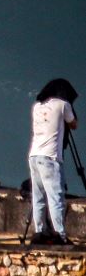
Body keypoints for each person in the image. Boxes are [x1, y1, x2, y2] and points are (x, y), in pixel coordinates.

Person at [28, 78, 78, 245]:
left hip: (34, 155)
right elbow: (74, 124)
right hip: (50, 157)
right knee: (56, 197)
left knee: (38, 196)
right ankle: (60, 235)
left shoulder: (37, 106)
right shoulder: (63, 105)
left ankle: (39, 231)